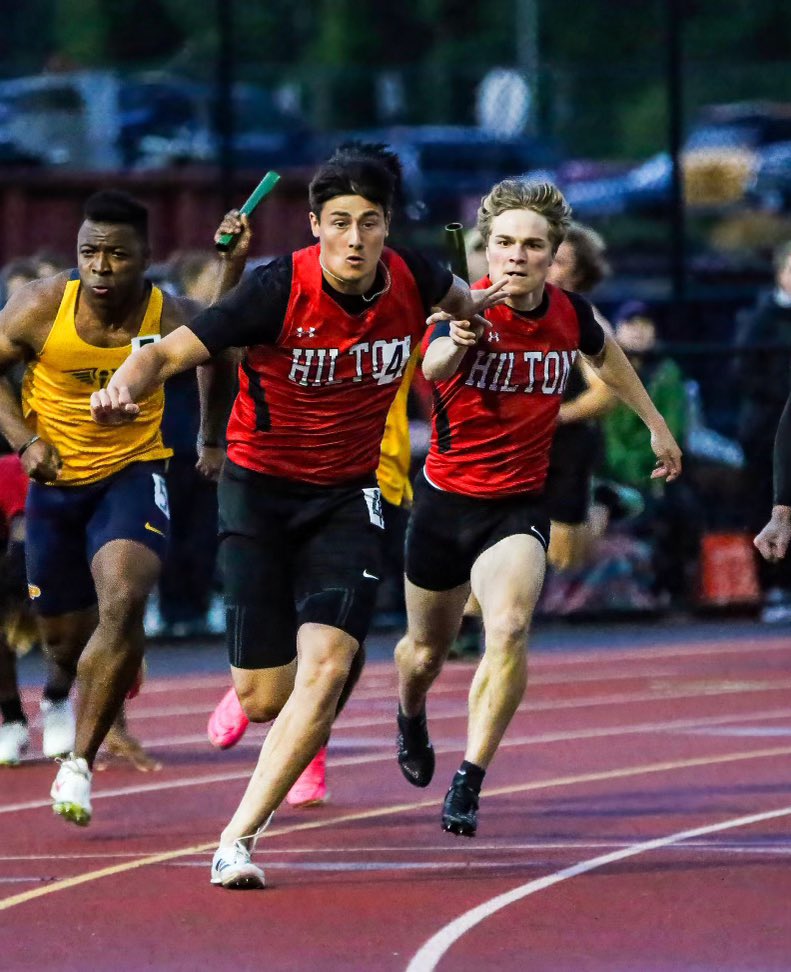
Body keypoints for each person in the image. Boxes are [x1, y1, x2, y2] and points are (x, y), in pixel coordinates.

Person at [91, 142, 506, 889]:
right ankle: (252, 691)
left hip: (350, 497)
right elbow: (169, 354)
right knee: (264, 696)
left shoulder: (416, 276)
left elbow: (460, 306)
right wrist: (121, 384)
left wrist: (468, 323)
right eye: (339, 222)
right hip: (258, 490)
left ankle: (236, 839)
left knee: (331, 665)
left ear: (386, 227)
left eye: (369, 222)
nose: (354, 239)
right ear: (315, 225)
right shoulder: (276, 288)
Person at [394, 179, 682, 838]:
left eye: (531, 245)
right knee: (423, 654)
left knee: (511, 627)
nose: (516, 256)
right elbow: (434, 366)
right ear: (484, 249)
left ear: (551, 254)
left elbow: (608, 360)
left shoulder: (568, 313)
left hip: (517, 502)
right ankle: (410, 713)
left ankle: (469, 776)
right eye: (503, 244)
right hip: (443, 501)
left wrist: (654, 423)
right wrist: (462, 334)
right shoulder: (459, 305)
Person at [0, 189, 249, 822]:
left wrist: (211, 437)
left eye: (117, 254)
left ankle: (78, 765)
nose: (101, 267)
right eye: (90, 252)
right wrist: (25, 440)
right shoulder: (38, 307)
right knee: (61, 640)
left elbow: (219, 349)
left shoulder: (168, 314)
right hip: (54, 486)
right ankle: (65, 687)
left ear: (145, 259)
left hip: (133, 473)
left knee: (123, 597)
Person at [206, 351, 420, 809]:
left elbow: (470, 301)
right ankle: (266, 663)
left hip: (375, 482)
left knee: (345, 634)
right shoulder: (296, 301)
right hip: (287, 478)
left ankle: (311, 742)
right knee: (278, 602)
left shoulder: (408, 298)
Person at [736, 240, 791, 620]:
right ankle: (774, 589)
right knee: (766, 506)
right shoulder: (760, 318)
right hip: (767, 429)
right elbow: (743, 373)